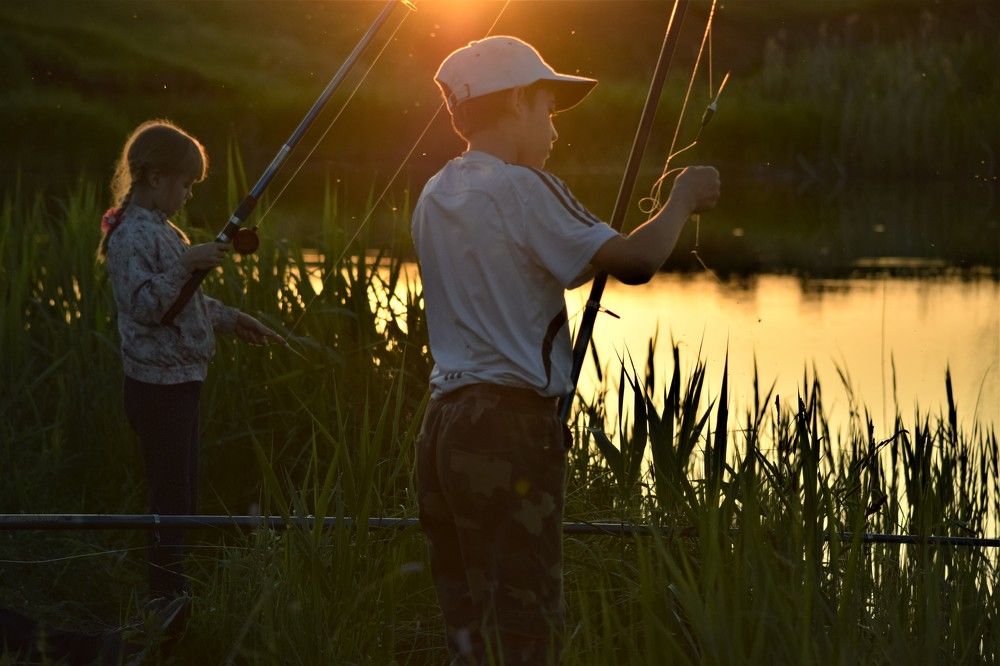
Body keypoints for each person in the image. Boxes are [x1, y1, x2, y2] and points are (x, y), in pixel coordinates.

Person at [411, 36, 720, 664]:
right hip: (506, 427)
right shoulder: (526, 189)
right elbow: (635, 262)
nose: (553, 130)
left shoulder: (435, 194)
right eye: (548, 109)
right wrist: (680, 201)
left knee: (468, 630)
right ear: (520, 102)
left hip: (441, 427)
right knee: (524, 631)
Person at [98, 119, 283, 603]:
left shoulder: (163, 230)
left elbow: (184, 304)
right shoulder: (129, 236)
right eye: (184, 184)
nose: (187, 194)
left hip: (181, 382)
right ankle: (165, 601)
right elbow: (144, 305)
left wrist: (235, 318)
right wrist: (187, 263)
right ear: (154, 177)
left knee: (181, 496)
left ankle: (172, 596)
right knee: (170, 500)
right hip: (156, 389)